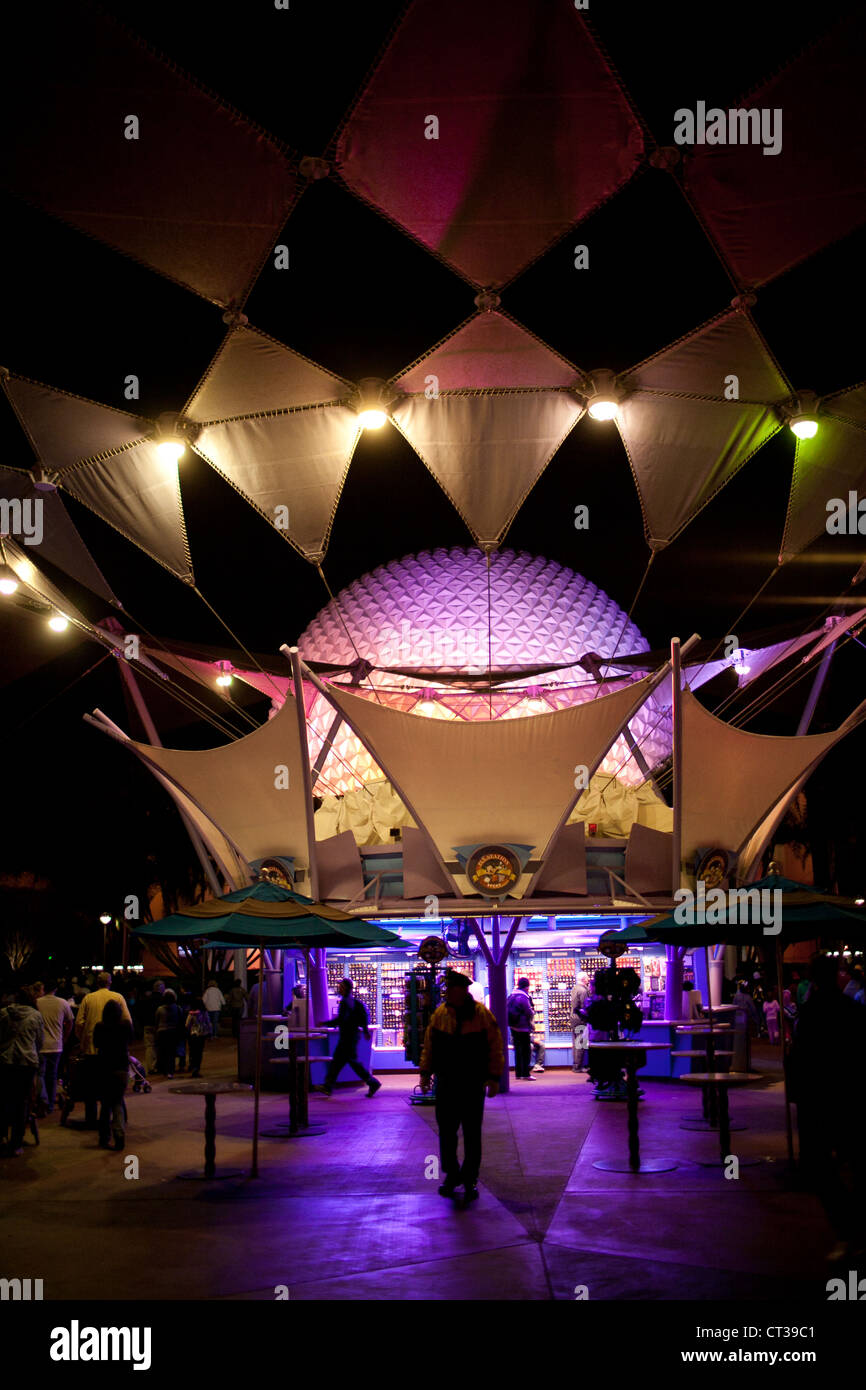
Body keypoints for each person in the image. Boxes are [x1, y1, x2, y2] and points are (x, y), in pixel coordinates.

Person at [789, 954, 866, 1258]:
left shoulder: (811, 1012)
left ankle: (849, 1230)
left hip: (819, 1099)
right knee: (854, 1160)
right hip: (848, 1096)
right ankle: (855, 1230)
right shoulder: (851, 1008)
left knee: (819, 1166)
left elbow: (801, 1058)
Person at [419, 970, 504, 1203]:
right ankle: (452, 1174)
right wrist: (425, 1074)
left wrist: (494, 1077)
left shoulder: (481, 1015)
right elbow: (429, 1046)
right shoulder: (441, 1014)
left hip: (472, 1082)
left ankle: (469, 1178)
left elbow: (495, 1046)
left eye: (450, 988)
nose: (447, 992)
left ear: (462, 990)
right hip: (447, 1082)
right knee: (447, 1131)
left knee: (471, 1132)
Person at [74, 973, 133, 1126]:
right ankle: (120, 1119)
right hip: (115, 1052)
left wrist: (83, 1041)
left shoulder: (88, 998)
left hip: (91, 1050)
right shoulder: (118, 997)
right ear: (110, 982)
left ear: (97, 983)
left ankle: (91, 1119)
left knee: (91, 1087)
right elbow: (128, 1021)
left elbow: (79, 1023)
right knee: (116, 1090)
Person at [0, 987, 44, 1156]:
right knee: (21, 1103)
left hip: (5, 1060)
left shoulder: (4, 1013)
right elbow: (39, 1041)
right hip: (26, 1063)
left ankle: (2, 1136)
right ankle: (16, 1143)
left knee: (4, 1100)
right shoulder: (36, 1016)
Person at [319, 979, 381, 1097]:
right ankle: (328, 1086)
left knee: (342, 1062)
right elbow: (362, 1017)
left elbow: (341, 1019)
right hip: (352, 1036)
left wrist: (325, 1023)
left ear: (346, 988)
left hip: (347, 1038)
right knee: (343, 1062)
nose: (339, 988)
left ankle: (372, 1082)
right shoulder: (354, 1002)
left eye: (341, 986)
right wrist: (365, 1031)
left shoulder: (345, 1003)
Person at [93, 998, 132, 1150]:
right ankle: (119, 1134)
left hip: (104, 1068)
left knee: (105, 1104)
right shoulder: (125, 1026)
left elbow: (96, 1044)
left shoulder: (100, 1026)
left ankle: (104, 1137)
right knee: (117, 1102)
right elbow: (130, 1040)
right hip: (121, 1068)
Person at [36, 978, 74, 1114]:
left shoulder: (37, 1002)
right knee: (52, 1076)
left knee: (40, 1074)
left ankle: (43, 1101)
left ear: (43, 988)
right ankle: (51, 1104)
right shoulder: (63, 1003)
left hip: (40, 1045)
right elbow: (70, 1022)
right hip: (56, 1045)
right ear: (56, 989)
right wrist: (64, 1037)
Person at [506, 976, 534, 1080]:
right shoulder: (523, 997)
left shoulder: (512, 995)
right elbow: (528, 1012)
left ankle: (518, 1073)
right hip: (523, 1027)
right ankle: (526, 1074)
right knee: (526, 1050)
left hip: (513, 1026)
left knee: (518, 1050)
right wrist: (532, 1012)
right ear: (526, 987)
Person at [155, 989, 182, 1078]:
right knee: (171, 1053)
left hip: (162, 1033)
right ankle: (170, 1071)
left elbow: (156, 1021)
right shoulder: (177, 1008)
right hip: (173, 1032)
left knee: (163, 1052)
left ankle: (164, 1070)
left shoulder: (160, 1009)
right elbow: (181, 1021)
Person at [141, 980, 165, 1074]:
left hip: (147, 1025)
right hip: (159, 1025)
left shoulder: (147, 999)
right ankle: (157, 1066)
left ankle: (150, 1067)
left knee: (149, 1046)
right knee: (159, 1046)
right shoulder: (162, 999)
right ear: (161, 988)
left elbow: (141, 1011)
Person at [185, 997, 212, 1078]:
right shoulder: (204, 1013)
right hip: (201, 1035)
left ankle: (192, 1066)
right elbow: (208, 1023)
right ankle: (197, 1069)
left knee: (193, 1052)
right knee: (199, 1053)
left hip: (193, 1035)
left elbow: (187, 1025)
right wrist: (210, 1033)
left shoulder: (191, 1014)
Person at [571, 972, 591, 1072]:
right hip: (581, 1019)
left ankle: (576, 1064)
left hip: (574, 1019)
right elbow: (585, 1006)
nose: (588, 979)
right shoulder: (583, 991)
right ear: (583, 979)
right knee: (581, 1043)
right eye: (587, 978)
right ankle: (578, 1067)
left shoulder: (575, 988)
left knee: (576, 1043)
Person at [530, 1008, 546, 1074]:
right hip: (519, 1039)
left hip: (528, 1038)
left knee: (541, 1044)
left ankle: (538, 1065)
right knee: (530, 1046)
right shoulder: (521, 1019)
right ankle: (525, 1066)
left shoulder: (530, 1019)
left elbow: (530, 1032)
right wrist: (533, 1039)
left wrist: (533, 1038)